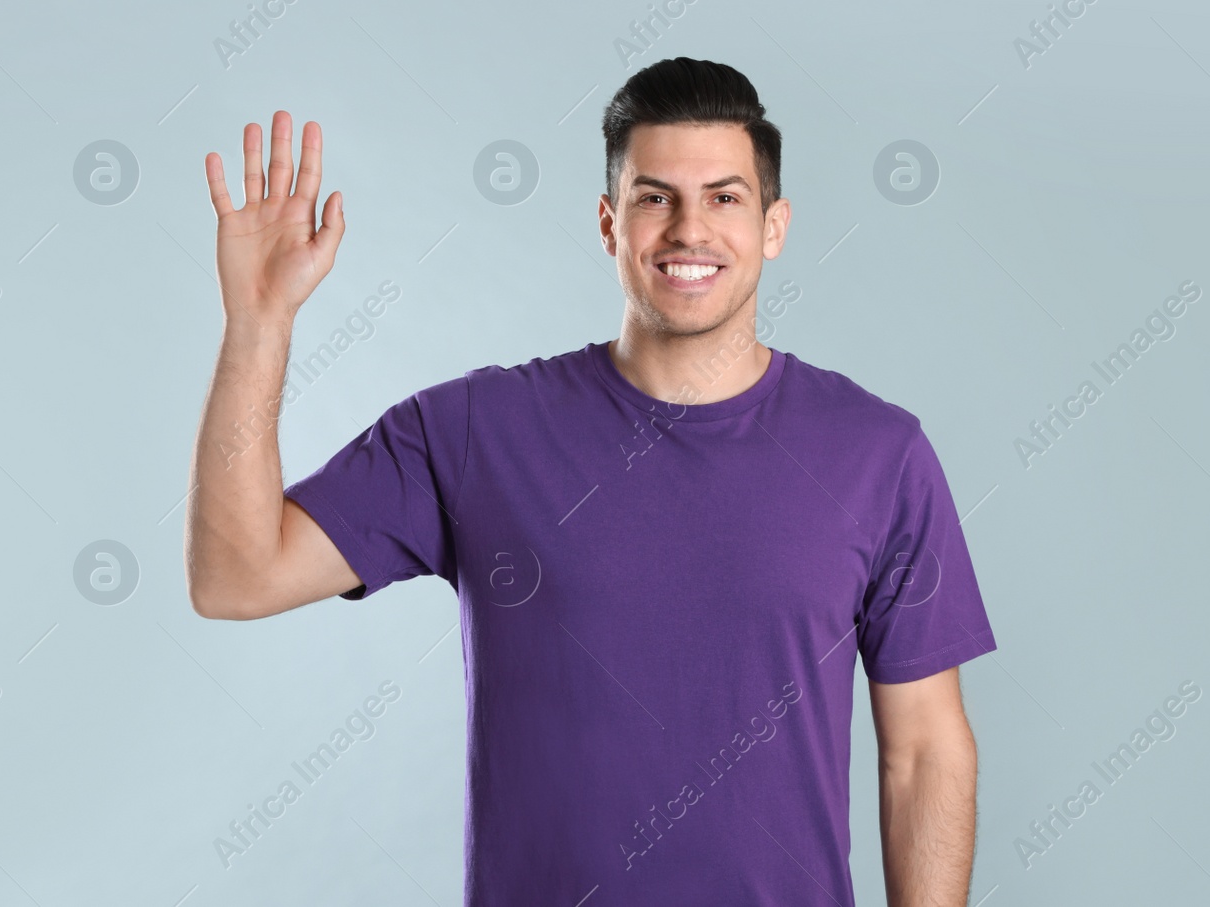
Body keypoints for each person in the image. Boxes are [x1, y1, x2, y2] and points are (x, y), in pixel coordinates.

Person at [184, 57, 998, 906]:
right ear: (610, 223)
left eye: (725, 197)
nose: (690, 229)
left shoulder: (877, 453)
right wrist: (259, 324)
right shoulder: (475, 433)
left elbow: (925, 753)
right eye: (655, 197)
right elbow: (236, 575)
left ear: (775, 225)